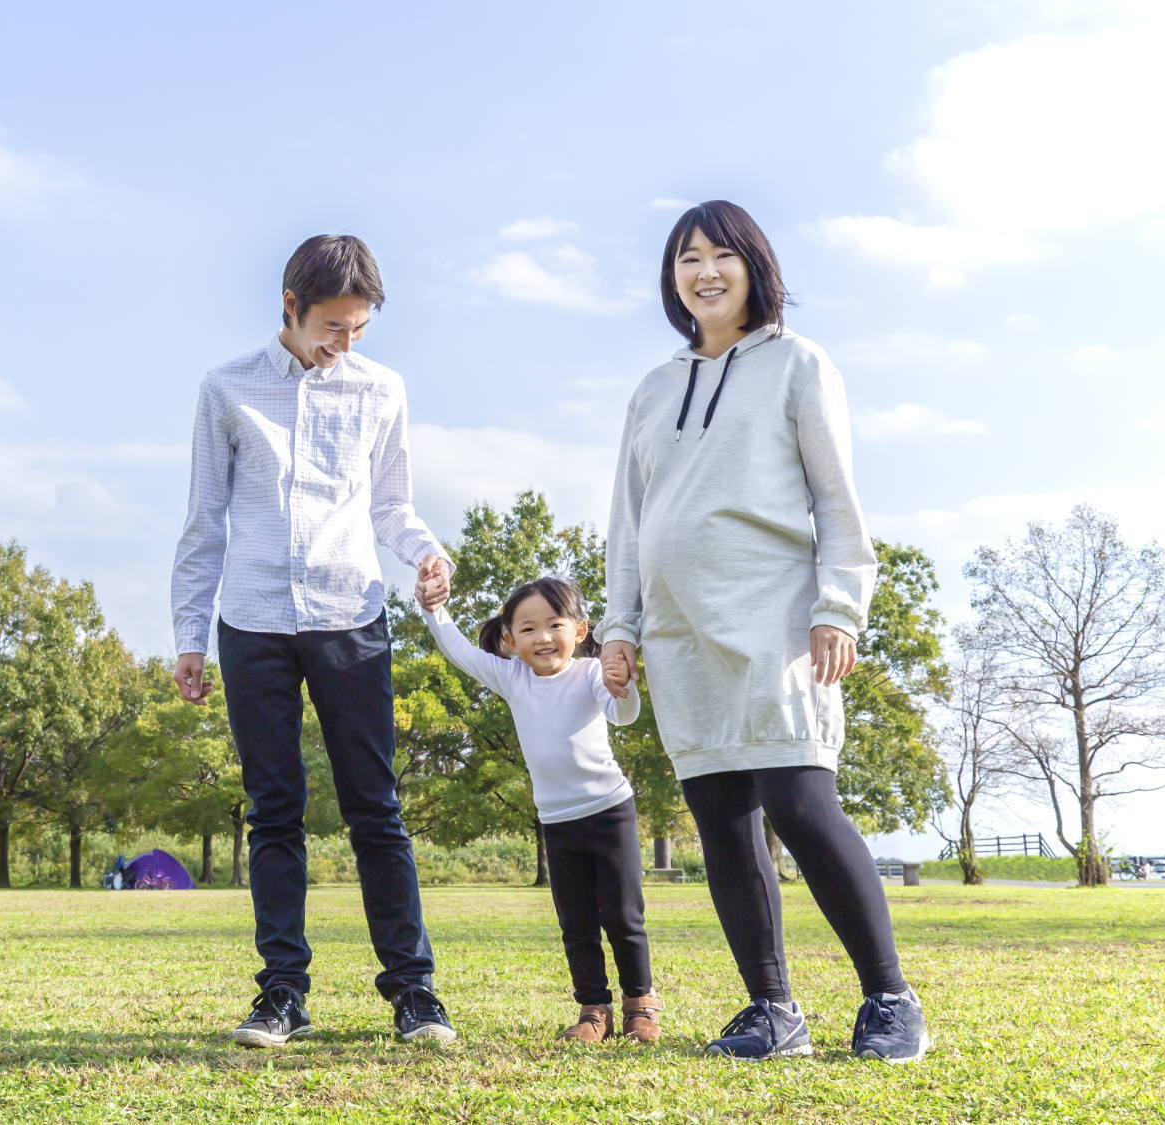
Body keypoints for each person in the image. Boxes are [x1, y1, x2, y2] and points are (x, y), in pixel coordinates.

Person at [598, 200, 932, 1064]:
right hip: (678, 635)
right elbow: (628, 523)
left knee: (800, 800)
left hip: (778, 615)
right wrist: (619, 625)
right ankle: (772, 1009)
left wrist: (838, 607)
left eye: (719, 255)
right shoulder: (653, 387)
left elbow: (836, 501)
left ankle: (890, 997)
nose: (702, 272)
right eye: (685, 258)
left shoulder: (798, 364)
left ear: (753, 264)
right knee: (721, 818)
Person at [171, 234, 458, 1047]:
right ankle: (282, 994)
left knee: (378, 810)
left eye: (359, 329)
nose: (344, 344)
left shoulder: (381, 389)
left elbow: (393, 506)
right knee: (274, 813)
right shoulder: (225, 389)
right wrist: (191, 632)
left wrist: (428, 555)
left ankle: (414, 992)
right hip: (252, 621)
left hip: (350, 617)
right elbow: (204, 519)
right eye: (333, 326)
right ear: (290, 306)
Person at [417, 576, 662, 1044]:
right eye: (527, 629)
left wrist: (623, 687)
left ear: (581, 629)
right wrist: (434, 611)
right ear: (509, 641)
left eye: (554, 625)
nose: (543, 637)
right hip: (557, 821)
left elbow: (622, 716)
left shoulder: (591, 673)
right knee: (576, 922)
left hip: (610, 811)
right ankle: (594, 1010)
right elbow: (462, 652)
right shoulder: (513, 678)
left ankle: (640, 1005)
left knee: (623, 915)